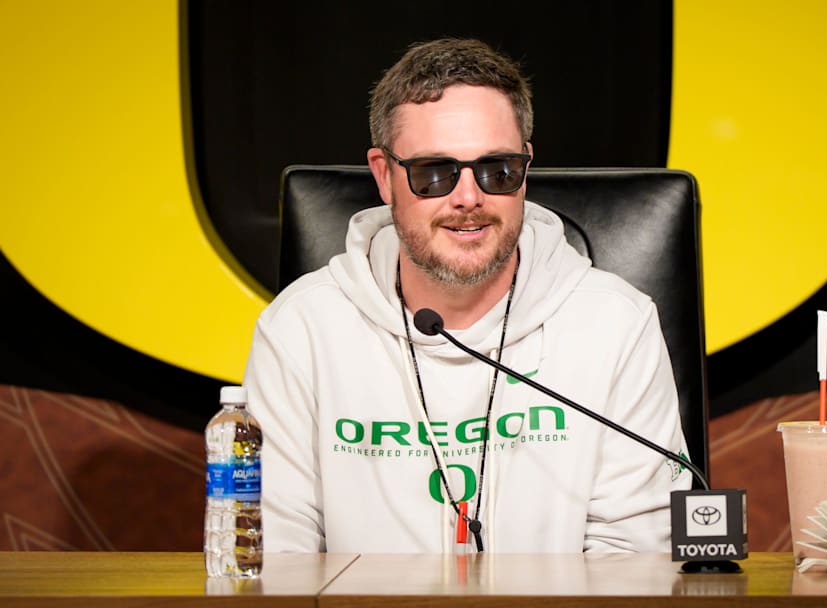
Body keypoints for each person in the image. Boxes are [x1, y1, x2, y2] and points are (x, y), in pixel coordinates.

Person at [244, 38, 690, 554]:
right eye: (433, 173)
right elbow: (277, 557)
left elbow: (635, 557)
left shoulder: (616, 324)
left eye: (496, 170)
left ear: (525, 168)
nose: (469, 198)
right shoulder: (300, 329)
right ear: (385, 175)